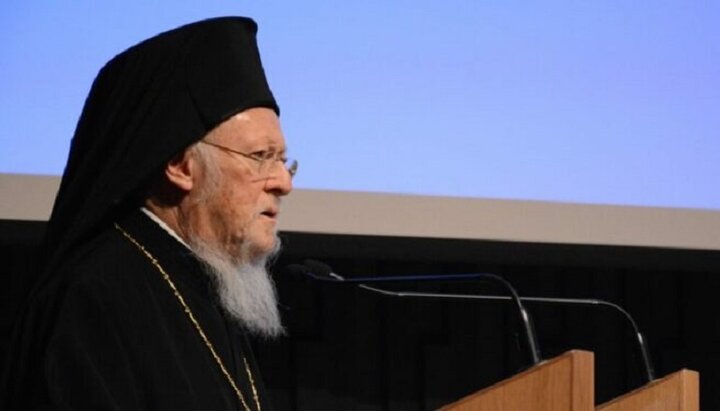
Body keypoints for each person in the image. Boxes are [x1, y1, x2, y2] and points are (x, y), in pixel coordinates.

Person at [1, 17, 294, 410]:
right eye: (260, 157)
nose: (283, 182)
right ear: (180, 166)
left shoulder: (208, 288)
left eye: (283, 160)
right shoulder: (95, 296)